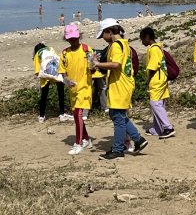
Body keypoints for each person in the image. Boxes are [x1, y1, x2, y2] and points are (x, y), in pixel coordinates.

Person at [94, 18, 148, 160]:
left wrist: (97, 64)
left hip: (120, 85)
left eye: (103, 35)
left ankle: (118, 149)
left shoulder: (117, 46)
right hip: (122, 84)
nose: (103, 38)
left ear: (109, 32)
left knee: (118, 118)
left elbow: (116, 64)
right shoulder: (124, 44)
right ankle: (138, 139)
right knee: (116, 115)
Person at [58, 25, 93, 155]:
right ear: (67, 39)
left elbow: (93, 67)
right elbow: (63, 71)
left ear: (79, 36)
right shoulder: (65, 53)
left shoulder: (86, 49)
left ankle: (78, 144)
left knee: (78, 113)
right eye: (70, 38)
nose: (73, 40)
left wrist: (94, 62)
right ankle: (87, 139)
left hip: (85, 87)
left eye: (75, 37)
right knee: (76, 115)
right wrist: (67, 80)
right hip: (73, 89)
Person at [139, 27, 175, 139]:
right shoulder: (158, 48)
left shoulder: (153, 49)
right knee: (160, 104)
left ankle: (168, 127)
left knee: (155, 104)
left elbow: (154, 66)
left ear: (147, 37)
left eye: (142, 39)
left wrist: (148, 76)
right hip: (162, 79)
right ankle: (157, 128)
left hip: (157, 81)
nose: (142, 42)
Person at [33, 43, 73, 123]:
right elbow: (57, 58)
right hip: (56, 71)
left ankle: (41, 117)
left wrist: (41, 76)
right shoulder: (51, 49)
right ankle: (62, 114)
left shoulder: (38, 53)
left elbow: (37, 69)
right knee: (60, 93)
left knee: (44, 95)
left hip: (45, 72)